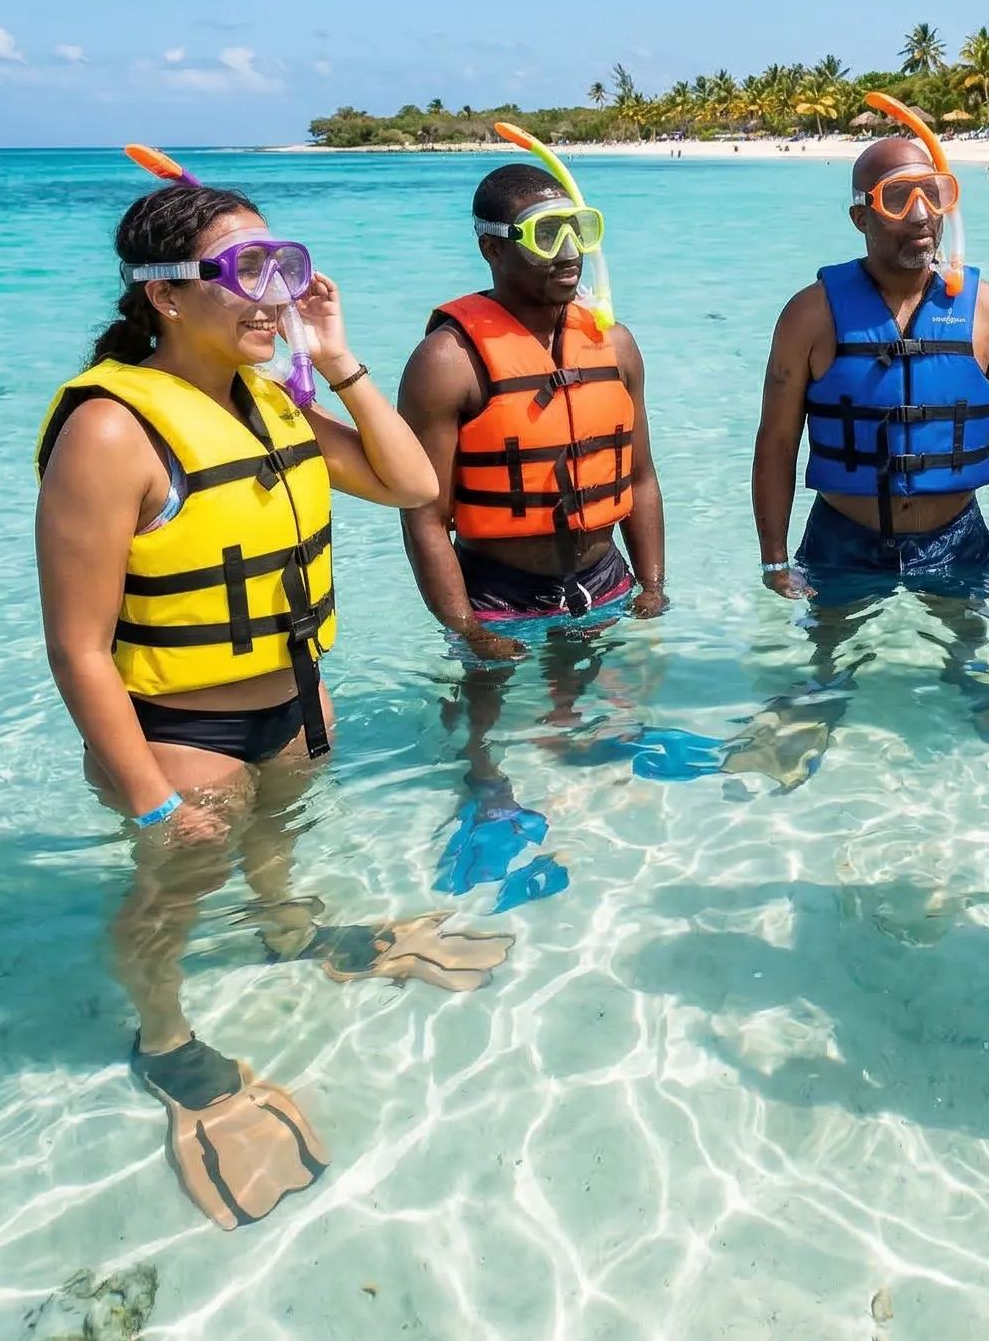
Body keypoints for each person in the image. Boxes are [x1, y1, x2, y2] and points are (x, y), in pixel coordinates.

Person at [36, 166, 507, 1230]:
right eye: (245, 272)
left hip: (289, 701)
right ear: (163, 293)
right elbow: (76, 648)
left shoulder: (274, 395)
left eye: (283, 267)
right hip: (178, 729)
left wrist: (338, 363)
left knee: (276, 842)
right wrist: (151, 795)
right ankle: (163, 1042)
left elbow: (412, 484)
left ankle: (289, 931)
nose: (273, 295)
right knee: (171, 893)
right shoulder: (112, 431)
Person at [396, 161, 667, 903]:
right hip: (498, 588)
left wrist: (653, 584)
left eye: (581, 230)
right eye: (547, 235)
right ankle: (484, 790)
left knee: (593, 697)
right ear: (492, 249)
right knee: (485, 710)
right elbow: (423, 514)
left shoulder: (615, 344)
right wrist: (466, 628)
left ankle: (608, 760)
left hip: (603, 577)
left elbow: (640, 477)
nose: (569, 252)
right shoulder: (445, 361)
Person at [755, 134, 989, 625]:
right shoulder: (810, 315)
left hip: (957, 539)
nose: (920, 213)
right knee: (824, 681)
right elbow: (777, 442)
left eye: (933, 192)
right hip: (841, 540)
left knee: (974, 683)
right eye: (896, 197)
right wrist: (775, 560)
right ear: (861, 217)